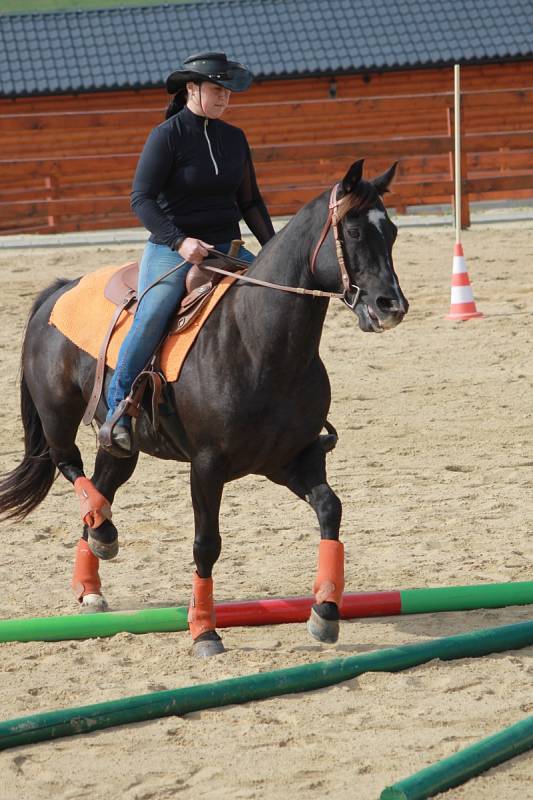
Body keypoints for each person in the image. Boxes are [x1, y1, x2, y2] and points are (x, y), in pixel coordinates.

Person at [99, 52, 275, 455]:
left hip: (227, 249)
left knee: (277, 300)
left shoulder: (235, 138)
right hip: (172, 249)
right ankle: (118, 409)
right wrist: (180, 241)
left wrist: (274, 250)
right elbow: (140, 199)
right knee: (154, 312)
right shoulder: (167, 136)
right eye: (217, 90)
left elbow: (250, 203)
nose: (225, 99)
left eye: (228, 92)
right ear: (192, 89)